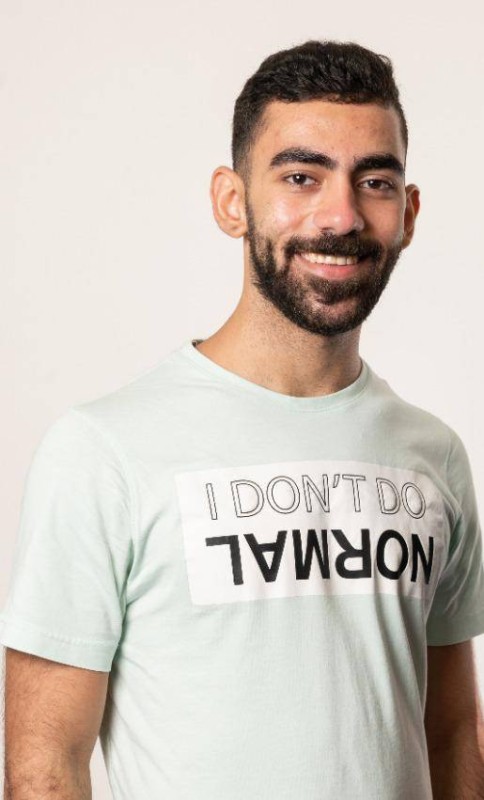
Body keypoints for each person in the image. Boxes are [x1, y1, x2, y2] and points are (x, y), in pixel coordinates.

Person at [2, 38, 484, 800]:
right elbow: (45, 761)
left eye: (374, 181)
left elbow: (452, 729)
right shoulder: (104, 451)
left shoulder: (435, 456)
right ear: (232, 201)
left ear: (409, 212)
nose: (341, 215)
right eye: (301, 176)